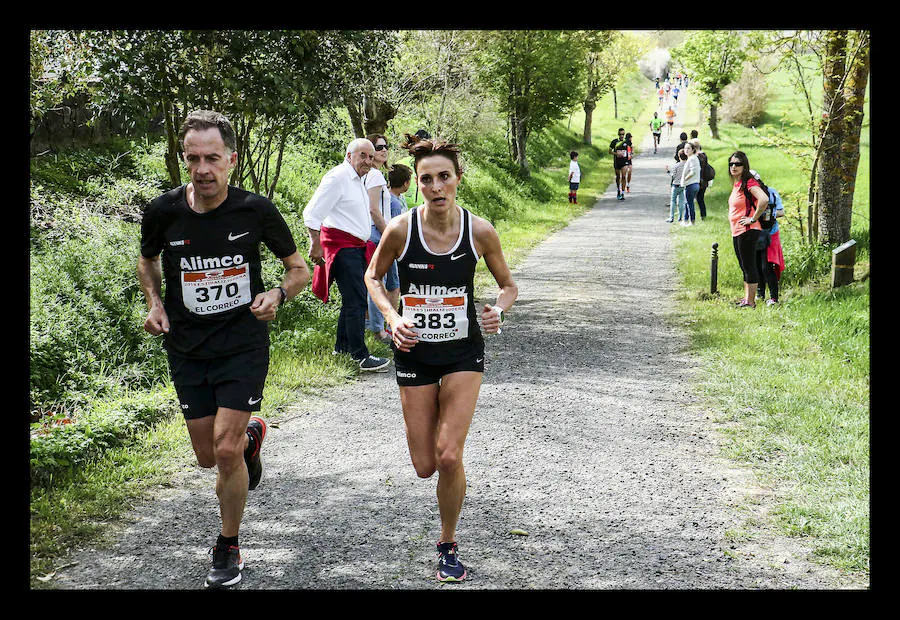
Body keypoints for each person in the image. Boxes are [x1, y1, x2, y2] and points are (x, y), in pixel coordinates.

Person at [137, 110, 310, 589]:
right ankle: (253, 437)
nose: (202, 168)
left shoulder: (255, 210)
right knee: (206, 455)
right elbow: (147, 261)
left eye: (212, 158)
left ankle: (228, 544)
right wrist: (154, 302)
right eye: (192, 158)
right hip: (187, 346)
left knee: (225, 449)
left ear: (231, 160)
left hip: (242, 344)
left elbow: (298, 270)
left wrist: (276, 295)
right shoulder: (163, 211)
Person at [364, 133, 518, 583]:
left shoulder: (480, 230)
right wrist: (392, 317)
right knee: (424, 465)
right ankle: (444, 520)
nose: (435, 187)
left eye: (443, 178)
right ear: (417, 183)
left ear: (457, 180)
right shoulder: (401, 229)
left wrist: (496, 311)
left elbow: (508, 286)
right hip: (414, 352)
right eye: (426, 179)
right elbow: (373, 277)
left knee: (449, 456)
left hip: (463, 352)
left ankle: (448, 544)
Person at [303, 137, 391, 371]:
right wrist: (315, 244)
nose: (367, 161)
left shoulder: (359, 180)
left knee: (352, 300)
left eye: (371, 157)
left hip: (356, 247)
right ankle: (359, 355)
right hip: (343, 248)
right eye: (363, 155)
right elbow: (311, 213)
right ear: (349, 155)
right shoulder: (338, 177)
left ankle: (342, 347)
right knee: (357, 300)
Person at [367, 163, 413, 338]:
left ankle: (387, 323)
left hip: (393, 245)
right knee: (390, 284)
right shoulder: (393, 202)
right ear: (406, 183)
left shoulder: (395, 198)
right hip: (391, 246)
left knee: (393, 284)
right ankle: (386, 325)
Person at [727, 151, 770, 308]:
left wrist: (753, 218)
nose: (733, 166)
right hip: (737, 230)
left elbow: (763, 199)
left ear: (744, 166)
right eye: (731, 164)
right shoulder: (737, 184)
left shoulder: (749, 183)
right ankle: (746, 299)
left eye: (737, 164)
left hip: (748, 230)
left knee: (749, 265)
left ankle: (751, 302)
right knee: (743, 265)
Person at [364, 133, 395, 342]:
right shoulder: (374, 175)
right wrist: (389, 235)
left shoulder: (369, 174)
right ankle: (378, 330)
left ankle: (374, 326)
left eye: (386, 146)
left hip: (372, 231)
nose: (384, 150)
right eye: (379, 147)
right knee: (378, 282)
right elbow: (374, 210)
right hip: (377, 231)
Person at [751, 170, 786, 305]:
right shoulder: (746, 195)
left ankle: (774, 297)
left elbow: (781, 211)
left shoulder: (771, 192)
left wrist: (769, 214)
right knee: (756, 264)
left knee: (767, 266)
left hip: (769, 233)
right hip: (753, 233)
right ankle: (760, 292)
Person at [680, 139, 702, 226]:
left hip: (691, 184)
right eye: (685, 148)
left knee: (690, 204)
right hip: (694, 184)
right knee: (687, 203)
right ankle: (685, 220)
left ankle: (692, 221)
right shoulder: (692, 158)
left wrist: (685, 178)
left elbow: (693, 172)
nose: (686, 150)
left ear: (693, 150)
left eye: (688, 148)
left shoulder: (692, 158)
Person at [692, 131, 711, 220]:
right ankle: (703, 215)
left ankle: (692, 216)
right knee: (701, 199)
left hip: (696, 180)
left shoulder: (695, 157)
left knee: (693, 199)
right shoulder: (704, 155)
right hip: (704, 180)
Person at [665, 148, 687, 223]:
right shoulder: (687, 165)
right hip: (683, 185)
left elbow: (673, 176)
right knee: (681, 201)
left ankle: (671, 217)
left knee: (673, 201)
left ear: (679, 156)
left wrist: (668, 171)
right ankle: (680, 217)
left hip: (675, 185)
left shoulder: (676, 166)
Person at [609, 128, 629, 200]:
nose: (621, 136)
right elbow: (609, 151)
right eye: (620, 134)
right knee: (618, 177)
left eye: (623, 134)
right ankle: (618, 190)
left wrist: (630, 157)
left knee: (623, 176)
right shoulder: (615, 142)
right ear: (618, 134)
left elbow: (630, 150)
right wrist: (616, 153)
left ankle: (623, 193)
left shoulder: (626, 141)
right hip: (617, 162)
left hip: (625, 162)